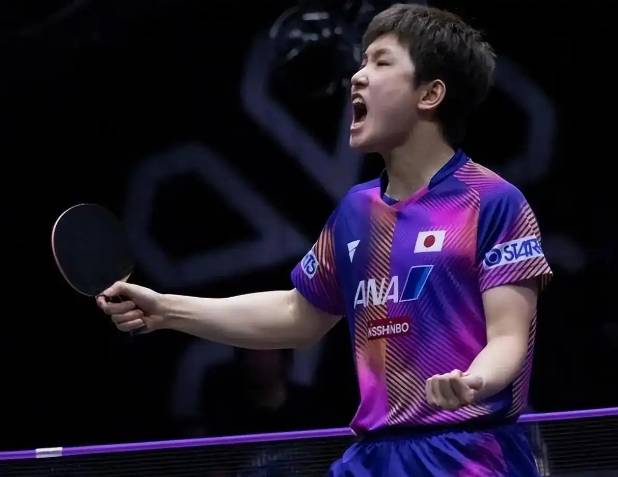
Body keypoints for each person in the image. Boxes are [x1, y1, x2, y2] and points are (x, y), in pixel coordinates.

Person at [97, 4, 552, 475]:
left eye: (381, 62)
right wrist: (166, 310)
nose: (357, 76)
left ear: (431, 93)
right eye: (362, 61)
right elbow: (299, 314)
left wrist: (474, 380)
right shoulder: (356, 211)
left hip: (470, 454)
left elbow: (508, 338)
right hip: (374, 455)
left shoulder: (493, 202)